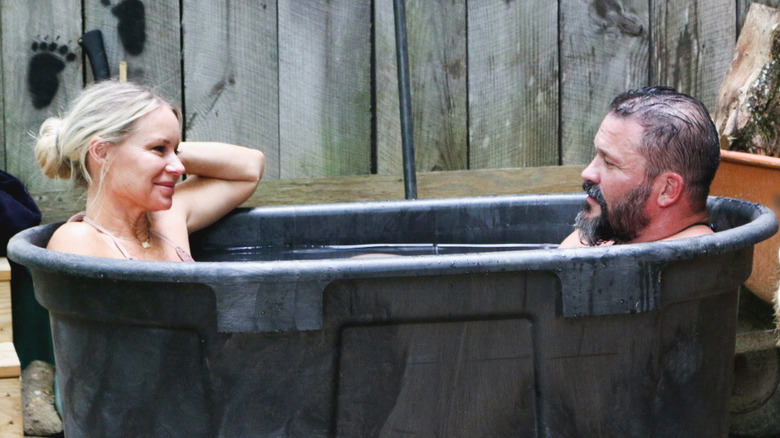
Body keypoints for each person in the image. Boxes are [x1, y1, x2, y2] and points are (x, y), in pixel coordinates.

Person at [34, 80, 265, 261]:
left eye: (176, 151)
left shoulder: (168, 218)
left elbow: (249, 168)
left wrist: (166, 148)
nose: (179, 167)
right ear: (102, 152)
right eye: (158, 148)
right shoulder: (78, 241)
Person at [559, 86, 720, 248]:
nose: (587, 173)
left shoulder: (691, 264)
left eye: (609, 162)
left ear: (667, 190)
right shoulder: (612, 237)